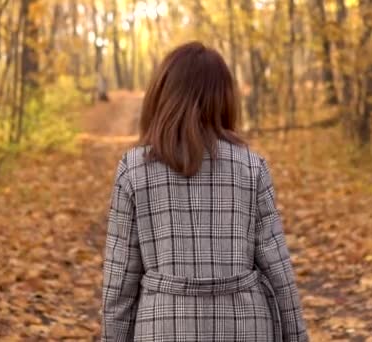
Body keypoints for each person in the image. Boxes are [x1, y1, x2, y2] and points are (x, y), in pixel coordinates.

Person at [101, 41, 308, 342]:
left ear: (161, 95)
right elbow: (278, 268)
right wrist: (297, 336)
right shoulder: (251, 167)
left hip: (163, 329)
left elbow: (119, 283)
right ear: (223, 99)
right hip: (245, 327)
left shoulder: (133, 169)